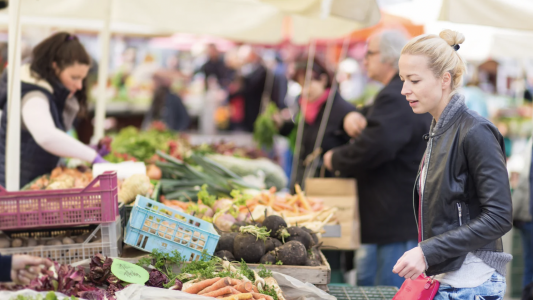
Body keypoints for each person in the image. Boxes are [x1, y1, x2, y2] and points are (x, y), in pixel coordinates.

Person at [392, 30, 513, 300]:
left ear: (445, 79)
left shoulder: (475, 131)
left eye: (414, 80)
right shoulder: (439, 130)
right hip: (448, 280)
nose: (404, 90)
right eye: (403, 80)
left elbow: (499, 216)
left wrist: (427, 252)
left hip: (471, 285)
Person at [322, 30, 432, 288]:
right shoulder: (393, 93)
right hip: (388, 215)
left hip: (393, 216)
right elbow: (375, 125)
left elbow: (375, 146)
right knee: (372, 285)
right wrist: (351, 117)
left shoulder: (396, 94)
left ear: (387, 58)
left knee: (386, 289)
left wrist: (335, 159)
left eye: (369, 53)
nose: (364, 60)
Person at [0, 32, 106, 189]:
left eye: (82, 79)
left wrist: (85, 150)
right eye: (74, 77)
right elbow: (47, 136)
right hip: (13, 187)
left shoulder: (46, 91)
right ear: (55, 66)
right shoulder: (33, 95)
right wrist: (93, 157)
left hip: (27, 183)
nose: (80, 86)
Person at [275, 57, 357, 188]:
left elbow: (355, 149)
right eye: (301, 85)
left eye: (309, 83)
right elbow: (299, 132)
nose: (305, 90)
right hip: (304, 181)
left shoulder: (343, 110)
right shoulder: (304, 106)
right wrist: (281, 125)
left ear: (323, 80)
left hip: (330, 187)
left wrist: (335, 157)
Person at [512, 139, 533, 290]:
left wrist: (513, 214)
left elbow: (523, 184)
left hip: (526, 217)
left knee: (529, 265)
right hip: (527, 218)